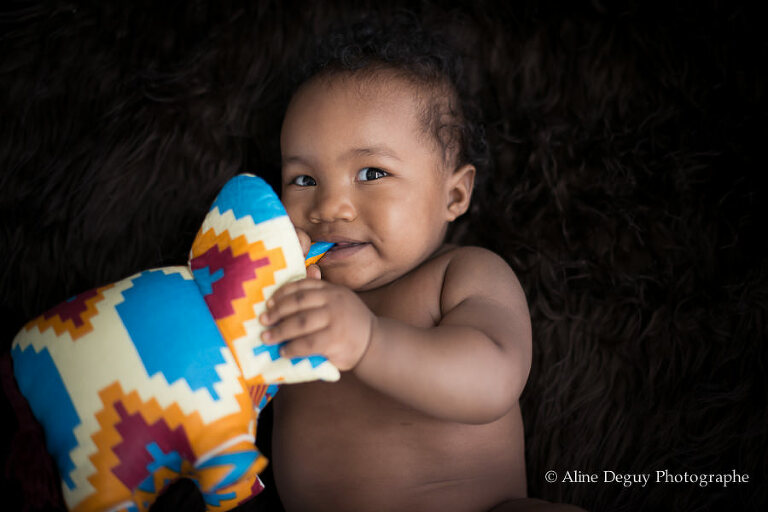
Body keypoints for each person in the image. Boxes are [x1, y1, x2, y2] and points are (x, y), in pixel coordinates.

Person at [258, 15, 585, 512]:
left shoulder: (462, 275)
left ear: (454, 195)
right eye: (303, 180)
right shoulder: (282, 286)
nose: (329, 207)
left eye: (371, 172)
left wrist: (367, 341)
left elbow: (492, 378)